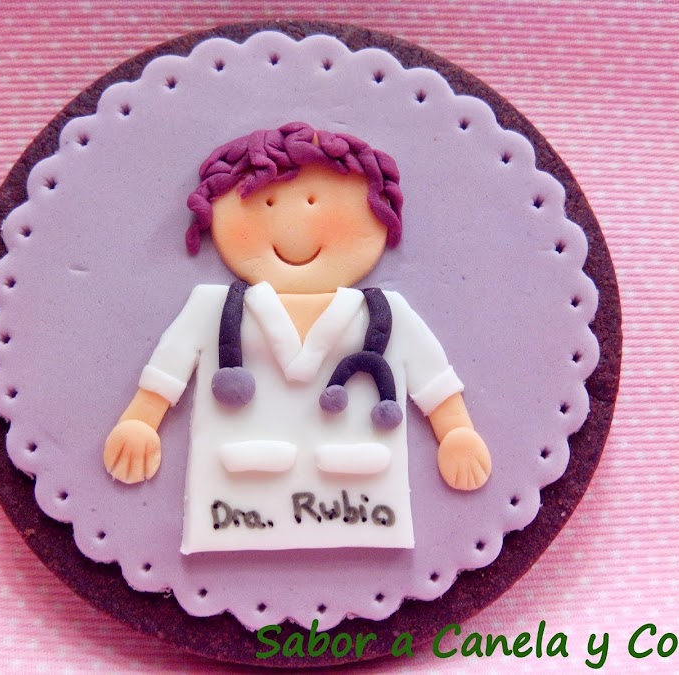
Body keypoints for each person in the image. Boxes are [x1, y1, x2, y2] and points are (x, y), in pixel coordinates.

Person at [103, 122, 491, 553]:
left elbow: (433, 382)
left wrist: (456, 432)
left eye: (314, 201)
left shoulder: (387, 315)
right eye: (267, 202)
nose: (296, 224)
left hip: (357, 493)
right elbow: (167, 371)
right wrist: (140, 421)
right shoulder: (212, 309)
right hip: (238, 496)